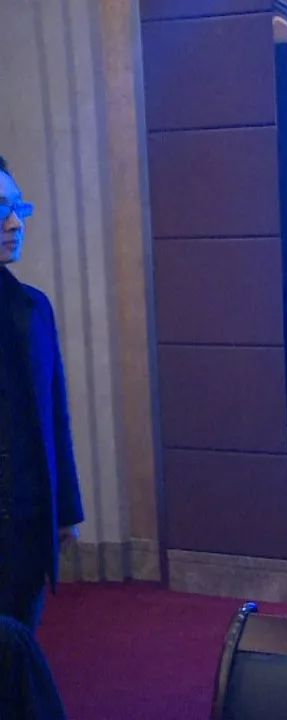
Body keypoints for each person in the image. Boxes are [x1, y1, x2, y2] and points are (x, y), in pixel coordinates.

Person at [0, 154, 85, 630]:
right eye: (0, 210)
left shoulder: (34, 310)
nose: (14, 223)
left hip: (26, 532)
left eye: (18, 208)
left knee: (19, 654)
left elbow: (56, 417)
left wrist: (64, 510)